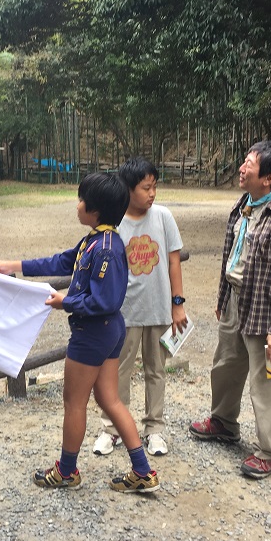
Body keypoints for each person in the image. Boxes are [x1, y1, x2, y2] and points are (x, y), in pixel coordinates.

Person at [0, 173, 160, 493]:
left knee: (74, 402)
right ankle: (142, 471)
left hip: (93, 333)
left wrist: (65, 302)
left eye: (81, 200)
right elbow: (61, 261)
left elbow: (104, 301)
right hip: (107, 331)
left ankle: (66, 472)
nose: (77, 204)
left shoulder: (106, 249)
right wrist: (14, 265)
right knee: (109, 399)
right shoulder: (96, 240)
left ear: (95, 209)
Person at [189, 140, 271, 479]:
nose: (241, 169)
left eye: (249, 165)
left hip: (268, 313)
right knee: (225, 364)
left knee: (269, 379)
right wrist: (222, 297)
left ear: (268, 178)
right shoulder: (244, 204)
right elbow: (232, 254)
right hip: (236, 300)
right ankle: (223, 422)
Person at [93, 157, 187, 457]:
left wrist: (177, 304)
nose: (152, 193)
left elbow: (174, 261)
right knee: (117, 371)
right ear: (128, 189)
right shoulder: (115, 221)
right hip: (124, 312)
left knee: (156, 370)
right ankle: (112, 429)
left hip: (159, 309)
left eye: (154, 186)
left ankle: (154, 429)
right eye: (146, 188)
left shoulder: (163, 217)